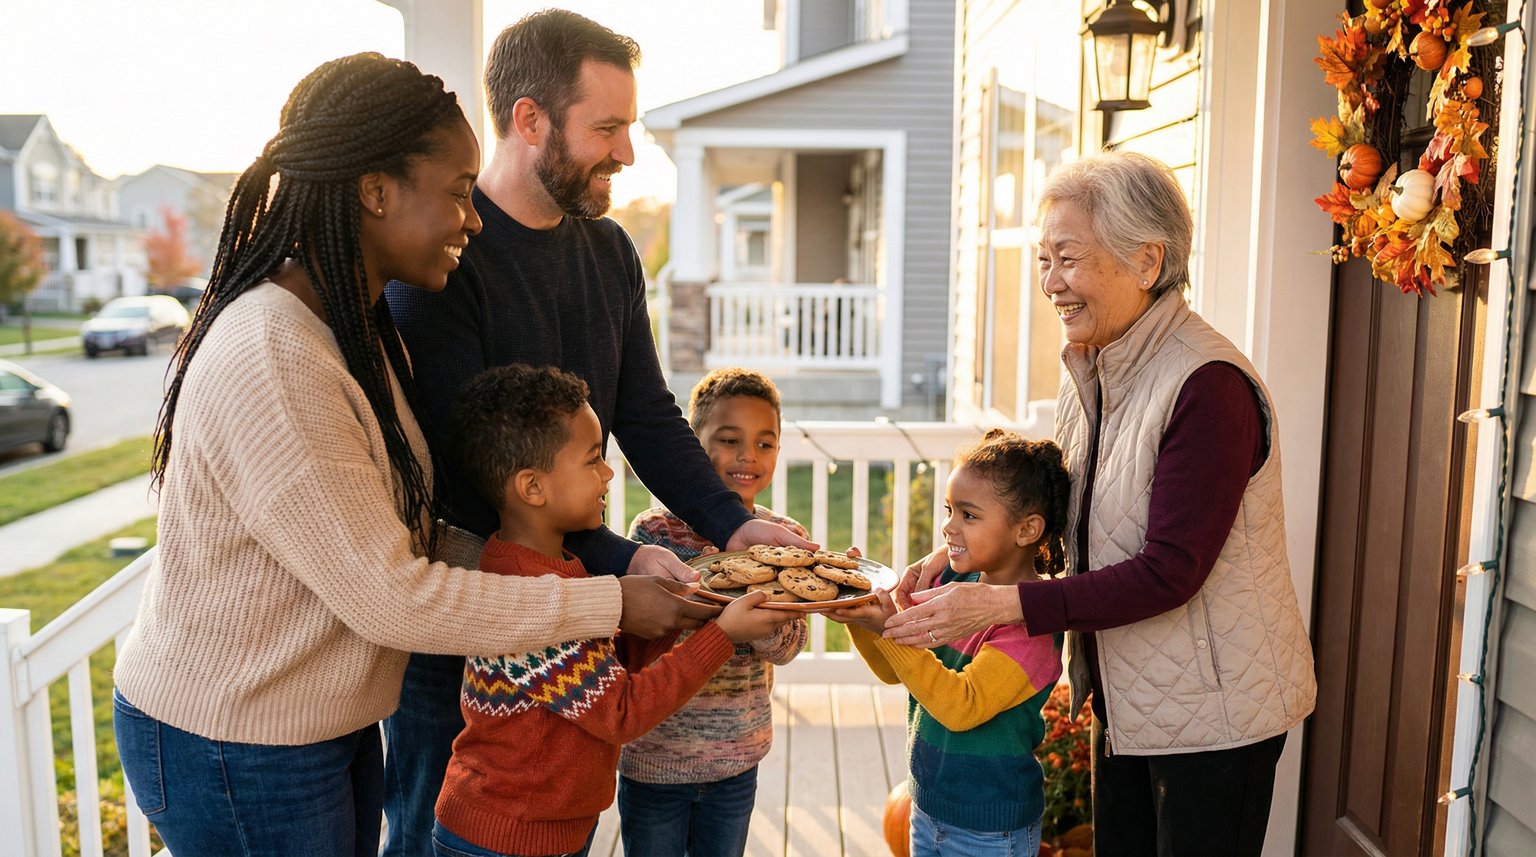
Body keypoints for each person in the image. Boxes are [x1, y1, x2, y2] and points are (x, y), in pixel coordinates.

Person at [111, 53, 709, 857]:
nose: (473, 218)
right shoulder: (276, 354)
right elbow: (394, 597)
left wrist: (621, 570)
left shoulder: (354, 330)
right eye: (459, 191)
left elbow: (405, 538)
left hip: (314, 719)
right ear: (376, 189)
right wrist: (607, 600)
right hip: (235, 738)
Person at [382, 11, 813, 853]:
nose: (626, 152)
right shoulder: (444, 260)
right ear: (531, 119)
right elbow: (472, 482)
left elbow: (647, 413)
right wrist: (622, 561)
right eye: (607, 128)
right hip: (470, 631)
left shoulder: (611, 253)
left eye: (630, 127)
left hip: (582, 621)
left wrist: (734, 524)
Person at [883, 152, 1316, 856]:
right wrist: (956, 551)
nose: (1052, 282)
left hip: (1215, 717)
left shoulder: (1207, 385)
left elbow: (1171, 570)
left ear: (1146, 261)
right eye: (1044, 258)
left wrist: (998, 604)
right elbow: (1054, 505)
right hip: (1129, 699)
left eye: (1069, 259)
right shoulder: (1096, 362)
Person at [432, 364, 794, 857]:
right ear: (533, 488)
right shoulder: (528, 592)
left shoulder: (558, 568)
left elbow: (602, 670)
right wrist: (722, 636)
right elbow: (621, 710)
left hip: (549, 832)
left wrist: (685, 613)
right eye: (592, 460)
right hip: (504, 840)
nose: (607, 472)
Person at [828, 431, 1067, 857]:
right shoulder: (951, 583)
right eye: (949, 510)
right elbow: (894, 670)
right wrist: (863, 618)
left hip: (992, 830)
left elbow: (962, 706)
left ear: (1027, 529)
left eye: (969, 515)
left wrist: (889, 629)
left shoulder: (1032, 630)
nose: (948, 526)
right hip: (927, 809)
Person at [618, 368, 809, 857]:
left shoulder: (785, 538)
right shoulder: (653, 534)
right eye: (729, 440)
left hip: (736, 761)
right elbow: (634, 635)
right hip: (654, 760)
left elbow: (789, 646)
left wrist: (759, 624)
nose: (748, 455)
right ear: (692, 449)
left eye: (765, 444)